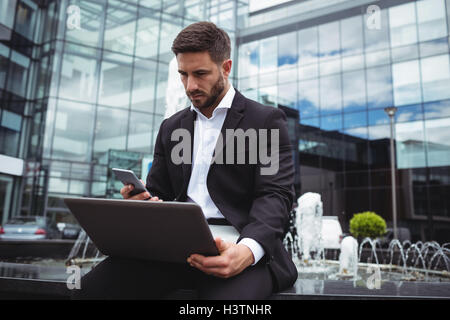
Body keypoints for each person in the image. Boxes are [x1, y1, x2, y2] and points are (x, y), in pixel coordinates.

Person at [76, 21, 297, 300]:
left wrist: (247, 251)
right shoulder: (171, 127)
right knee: (91, 292)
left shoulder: (265, 121)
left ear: (226, 68)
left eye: (200, 73)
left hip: (239, 244)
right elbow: (160, 193)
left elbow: (275, 195)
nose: (190, 86)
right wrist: (143, 202)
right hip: (173, 245)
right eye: (183, 75)